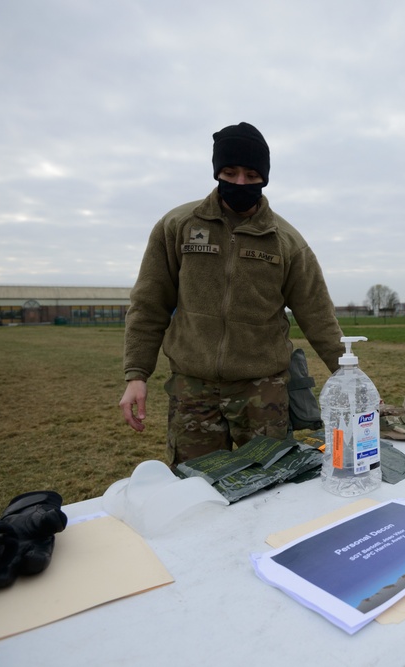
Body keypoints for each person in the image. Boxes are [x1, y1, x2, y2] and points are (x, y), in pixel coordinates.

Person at [119, 122, 344, 466]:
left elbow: (318, 316)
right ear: (216, 172)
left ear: (264, 177)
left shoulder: (286, 241)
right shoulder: (178, 226)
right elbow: (149, 304)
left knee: (273, 487)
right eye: (230, 171)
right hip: (193, 391)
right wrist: (137, 375)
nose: (240, 182)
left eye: (251, 174)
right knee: (195, 490)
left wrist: (347, 374)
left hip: (263, 392)